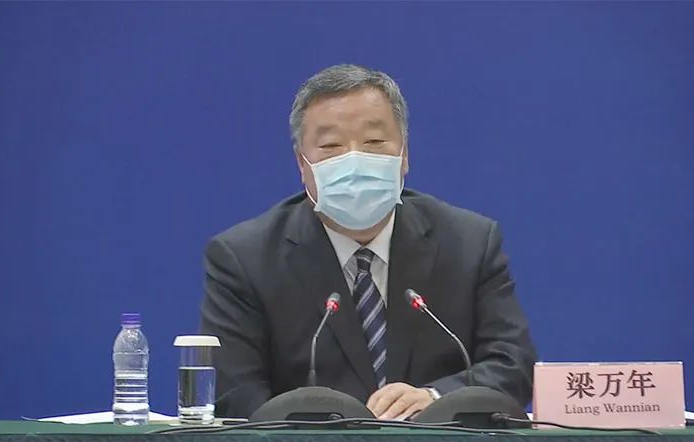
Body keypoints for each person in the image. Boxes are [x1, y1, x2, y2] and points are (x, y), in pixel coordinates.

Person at [200, 64, 537, 419]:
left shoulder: (469, 243)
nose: (354, 161)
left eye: (374, 142)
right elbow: (236, 395)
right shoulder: (245, 259)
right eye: (331, 146)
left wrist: (437, 398)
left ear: (404, 154)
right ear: (302, 163)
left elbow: (512, 365)